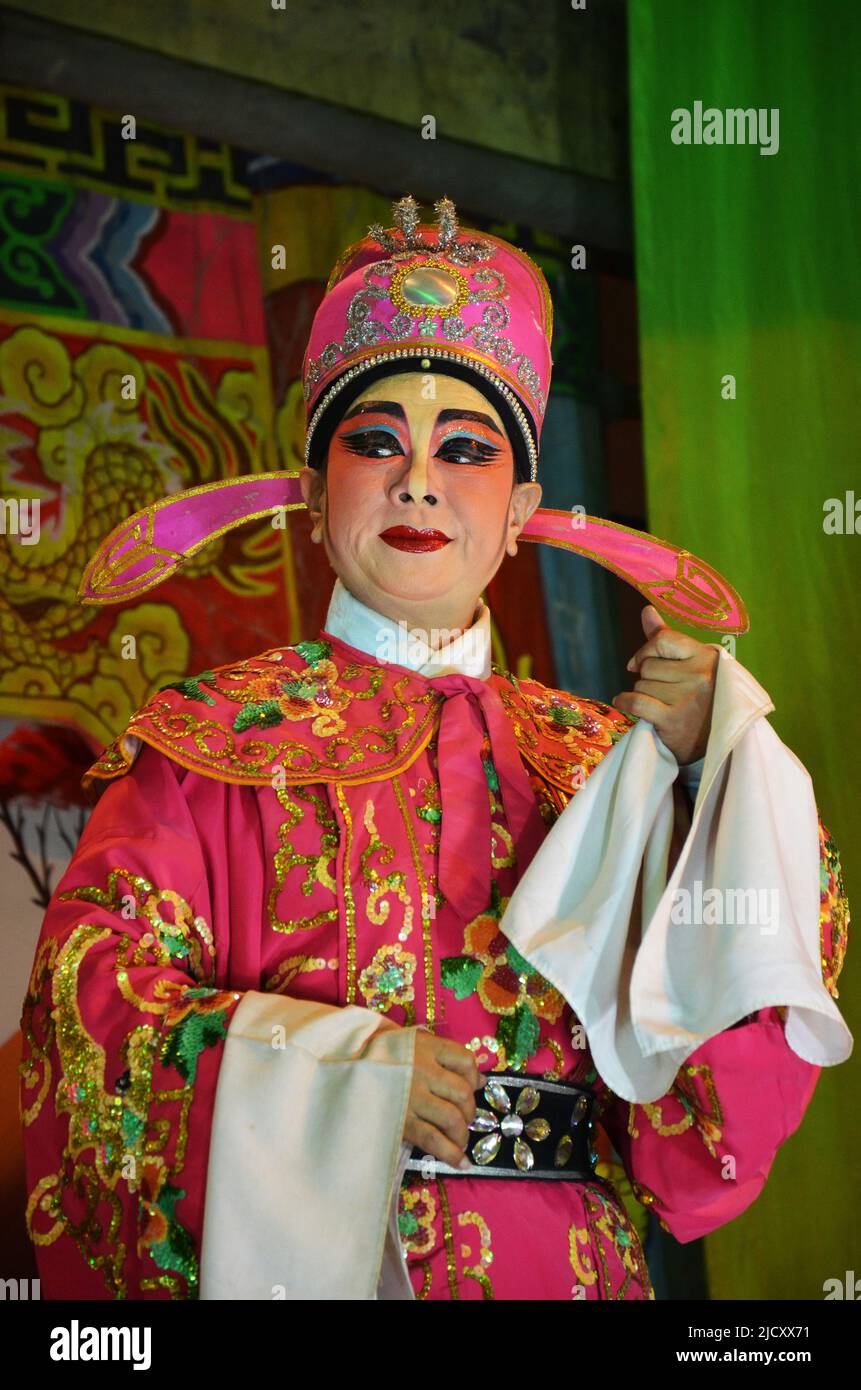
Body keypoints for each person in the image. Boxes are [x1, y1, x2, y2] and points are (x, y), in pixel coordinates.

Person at [20, 196, 851, 1301]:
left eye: (467, 449)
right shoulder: (207, 750)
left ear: (522, 511)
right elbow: (87, 1024)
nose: (419, 480)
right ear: (316, 499)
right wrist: (347, 1083)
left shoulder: (606, 768)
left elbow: (702, 1127)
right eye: (376, 443)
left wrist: (713, 779)